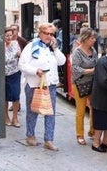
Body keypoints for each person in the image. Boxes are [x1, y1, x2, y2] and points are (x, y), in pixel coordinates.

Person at [18, 22, 66, 151]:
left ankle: (49, 139)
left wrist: (55, 48)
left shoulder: (52, 48)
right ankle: (30, 135)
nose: (49, 36)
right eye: (47, 33)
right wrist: (35, 71)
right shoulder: (31, 46)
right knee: (32, 111)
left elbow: (62, 61)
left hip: (50, 84)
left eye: (52, 34)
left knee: (50, 113)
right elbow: (22, 64)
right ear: (40, 33)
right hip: (34, 84)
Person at [71, 28, 98, 145]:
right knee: (81, 110)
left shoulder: (94, 51)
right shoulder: (77, 52)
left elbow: (97, 63)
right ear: (85, 39)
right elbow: (75, 68)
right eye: (92, 38)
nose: (94, 40)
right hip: (79, 84)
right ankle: (79, 134)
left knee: (94, 108)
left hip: (92, 83)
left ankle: (92, 131)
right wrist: (91, 70)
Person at [4, 27, 22, 128]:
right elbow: (4, 59)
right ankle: (6, 117)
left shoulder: (15, 43)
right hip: (3, 74)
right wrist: (14, 55)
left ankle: (15, 118)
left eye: (10, 35)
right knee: (5, 96)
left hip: (15, 73)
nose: (9, 37)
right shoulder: (0, 45)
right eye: (7, 35)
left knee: (16, 96)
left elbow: (19, 54)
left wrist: (19, 54)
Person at [9, 23, 28, 112]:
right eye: (11, 29)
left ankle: (17, 104)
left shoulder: (21, 40)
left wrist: (21, 56)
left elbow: (27, 52)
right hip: (8, 68)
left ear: (18, 30)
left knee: (17, 86)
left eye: (15, 29)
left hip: (19, 67)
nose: (13, 31)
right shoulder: (7, 40)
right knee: (10, 87)